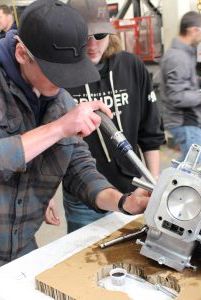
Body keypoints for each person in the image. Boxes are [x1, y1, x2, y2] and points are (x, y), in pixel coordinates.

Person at [0, 0, 150, 298]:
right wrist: (58, 128)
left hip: (21, 257)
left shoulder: (58, 97)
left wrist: (124, 203)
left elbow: (80, 171)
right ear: (22, 53)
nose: (64, 85)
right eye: (56, 73)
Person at [45, 0, 165, 233]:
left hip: (134, 188)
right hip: (83, 196)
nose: (92, 45)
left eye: (99, 35)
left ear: (110, 31)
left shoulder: (131, 66)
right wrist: (46, 192)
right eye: (84, 37)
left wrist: (154, 179)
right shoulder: (60, 77)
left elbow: (150, 130)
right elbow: (50, 141)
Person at [160, 11, 201, 163]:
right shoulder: (178, 57)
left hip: (188, 121)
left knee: (187, 167)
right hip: (185, 122)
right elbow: (176, 96)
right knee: (193, 171)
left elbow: (183, 80)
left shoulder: (184, 53)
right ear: (192, 30)